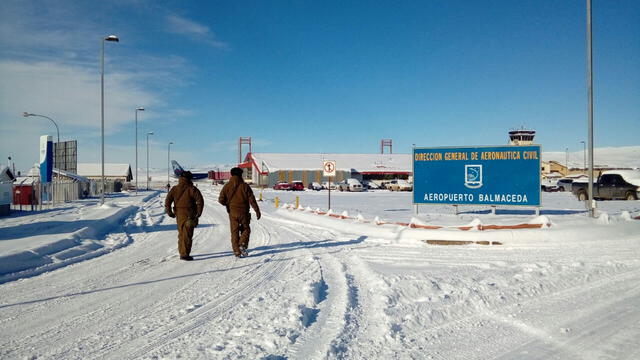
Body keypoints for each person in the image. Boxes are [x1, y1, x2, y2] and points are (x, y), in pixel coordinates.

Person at [218, 167, 261, 258]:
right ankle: (242, 244)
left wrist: (228, 205)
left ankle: (237, 251)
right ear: (240, 175)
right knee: (246, 229)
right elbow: (252, 200)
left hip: (232, 212)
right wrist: (257, 211)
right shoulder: (245, 186)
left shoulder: (227, 186)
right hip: (244, 212)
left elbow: (221, 200)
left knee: (234, 231)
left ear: (231, 174)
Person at [165, 171, 204, 261]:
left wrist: (169, 212)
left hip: (179, 214)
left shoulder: (174, 189)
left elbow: (168, 201)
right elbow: (200, 201)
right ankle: (184, 254)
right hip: (190, 215)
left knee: (181, 234)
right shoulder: (192, 189)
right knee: (187, 234)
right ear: (189, 179)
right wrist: (199, 212)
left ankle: (182, 251)